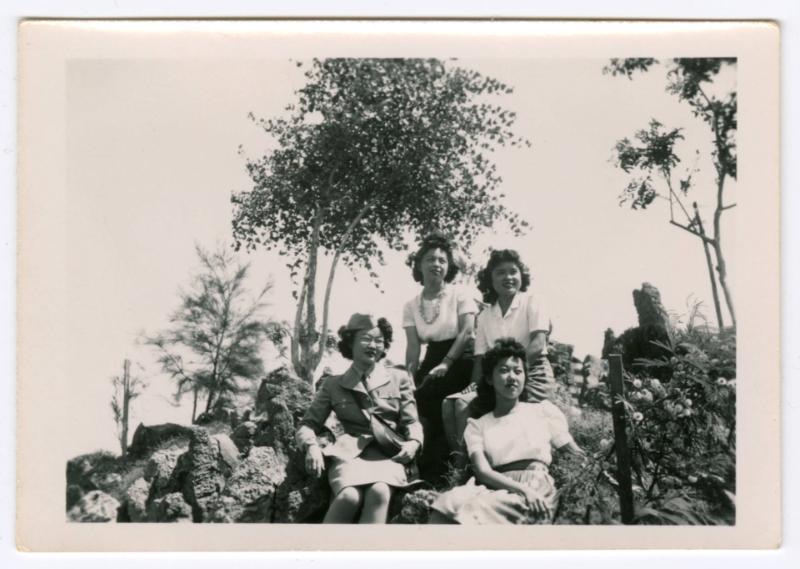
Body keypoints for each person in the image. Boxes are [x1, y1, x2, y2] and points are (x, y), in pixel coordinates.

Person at [429, 339, 584, 524]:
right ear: (489, 379)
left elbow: (572, 450)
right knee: (446, 503)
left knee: (472, 510)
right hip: (495, 486)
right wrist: (522, 490)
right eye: (504, 370)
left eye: (518, 371)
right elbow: (482, 471)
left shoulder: (542, 411)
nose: (512, 377)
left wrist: (599, 463)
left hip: (535, 488)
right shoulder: (477, 425)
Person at [296, 313, 424, 524]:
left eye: (379, 341)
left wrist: (414, 443)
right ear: (350, 343)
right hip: (349, 455)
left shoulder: (399, 378)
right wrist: (311, 446)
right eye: (366, 339)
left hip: (388, 454)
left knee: (379, 492)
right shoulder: (333, 384)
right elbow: (308, 424)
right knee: (349, 497)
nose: (373, 345)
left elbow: (412, 422)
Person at [442, 249, 556, 451]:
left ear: (522, 276)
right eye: (500, 273)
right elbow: (480, 359)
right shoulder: (485, 315)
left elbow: (538, 345)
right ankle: (463, 466)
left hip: (533, 373)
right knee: (456, 403)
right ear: (490, 279)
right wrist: (473, 387)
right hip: (498, 378)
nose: (508, 277)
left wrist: (511, 373)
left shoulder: (533, 301)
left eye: (513, 271)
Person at [403, 232, 477, 482]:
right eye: (430, 259)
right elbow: (413, 347)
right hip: (433, 358)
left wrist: (447, 362)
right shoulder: (411, 305)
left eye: (442, 260)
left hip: (462, 356)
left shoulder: (460, 294)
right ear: (419, 264)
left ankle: (458, 466)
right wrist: (408, 378)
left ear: (449, 267)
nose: (436, 264)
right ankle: (426, 469)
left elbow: (468, 331)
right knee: (415, 401)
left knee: (444, 400)